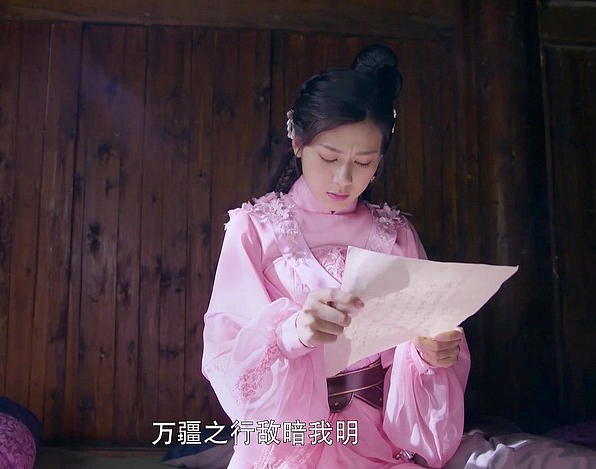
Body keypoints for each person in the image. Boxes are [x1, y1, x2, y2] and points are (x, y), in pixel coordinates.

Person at [202, 44, 471, 469]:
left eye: (363, 163)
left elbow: (423, 334)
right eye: (329, 158)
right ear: (297, 142)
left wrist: (428, 354)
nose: (344, 179)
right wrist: (293, 333)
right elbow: (226, 354)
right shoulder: (254, 229)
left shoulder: (397, 235)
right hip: (288, 443)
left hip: (380, 444)